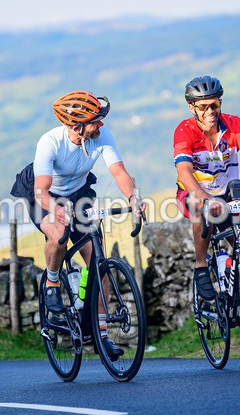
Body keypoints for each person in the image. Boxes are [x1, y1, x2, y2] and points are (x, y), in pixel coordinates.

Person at [11, 90, 143, 361]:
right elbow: (41, 192)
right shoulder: (50, 142)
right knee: (59, 234)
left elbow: (118, 171)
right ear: (76, 126)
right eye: (96, 121)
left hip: (79, 192)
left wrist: (133, 197)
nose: (102, 125)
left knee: (98, 263)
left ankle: (101, 334)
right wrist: (56, 209)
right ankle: (51, 281)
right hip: (42, 192)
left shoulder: (101, 137)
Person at [173, 75, 240, 350]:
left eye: (214, 105)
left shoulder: (234, 124)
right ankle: (201, 266)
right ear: (192, 108)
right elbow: (184, 171)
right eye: (203, 106)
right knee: (198, 208)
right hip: (195, 192)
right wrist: (205, 198)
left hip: (229, 195)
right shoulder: (184, 131)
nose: (210, 112)